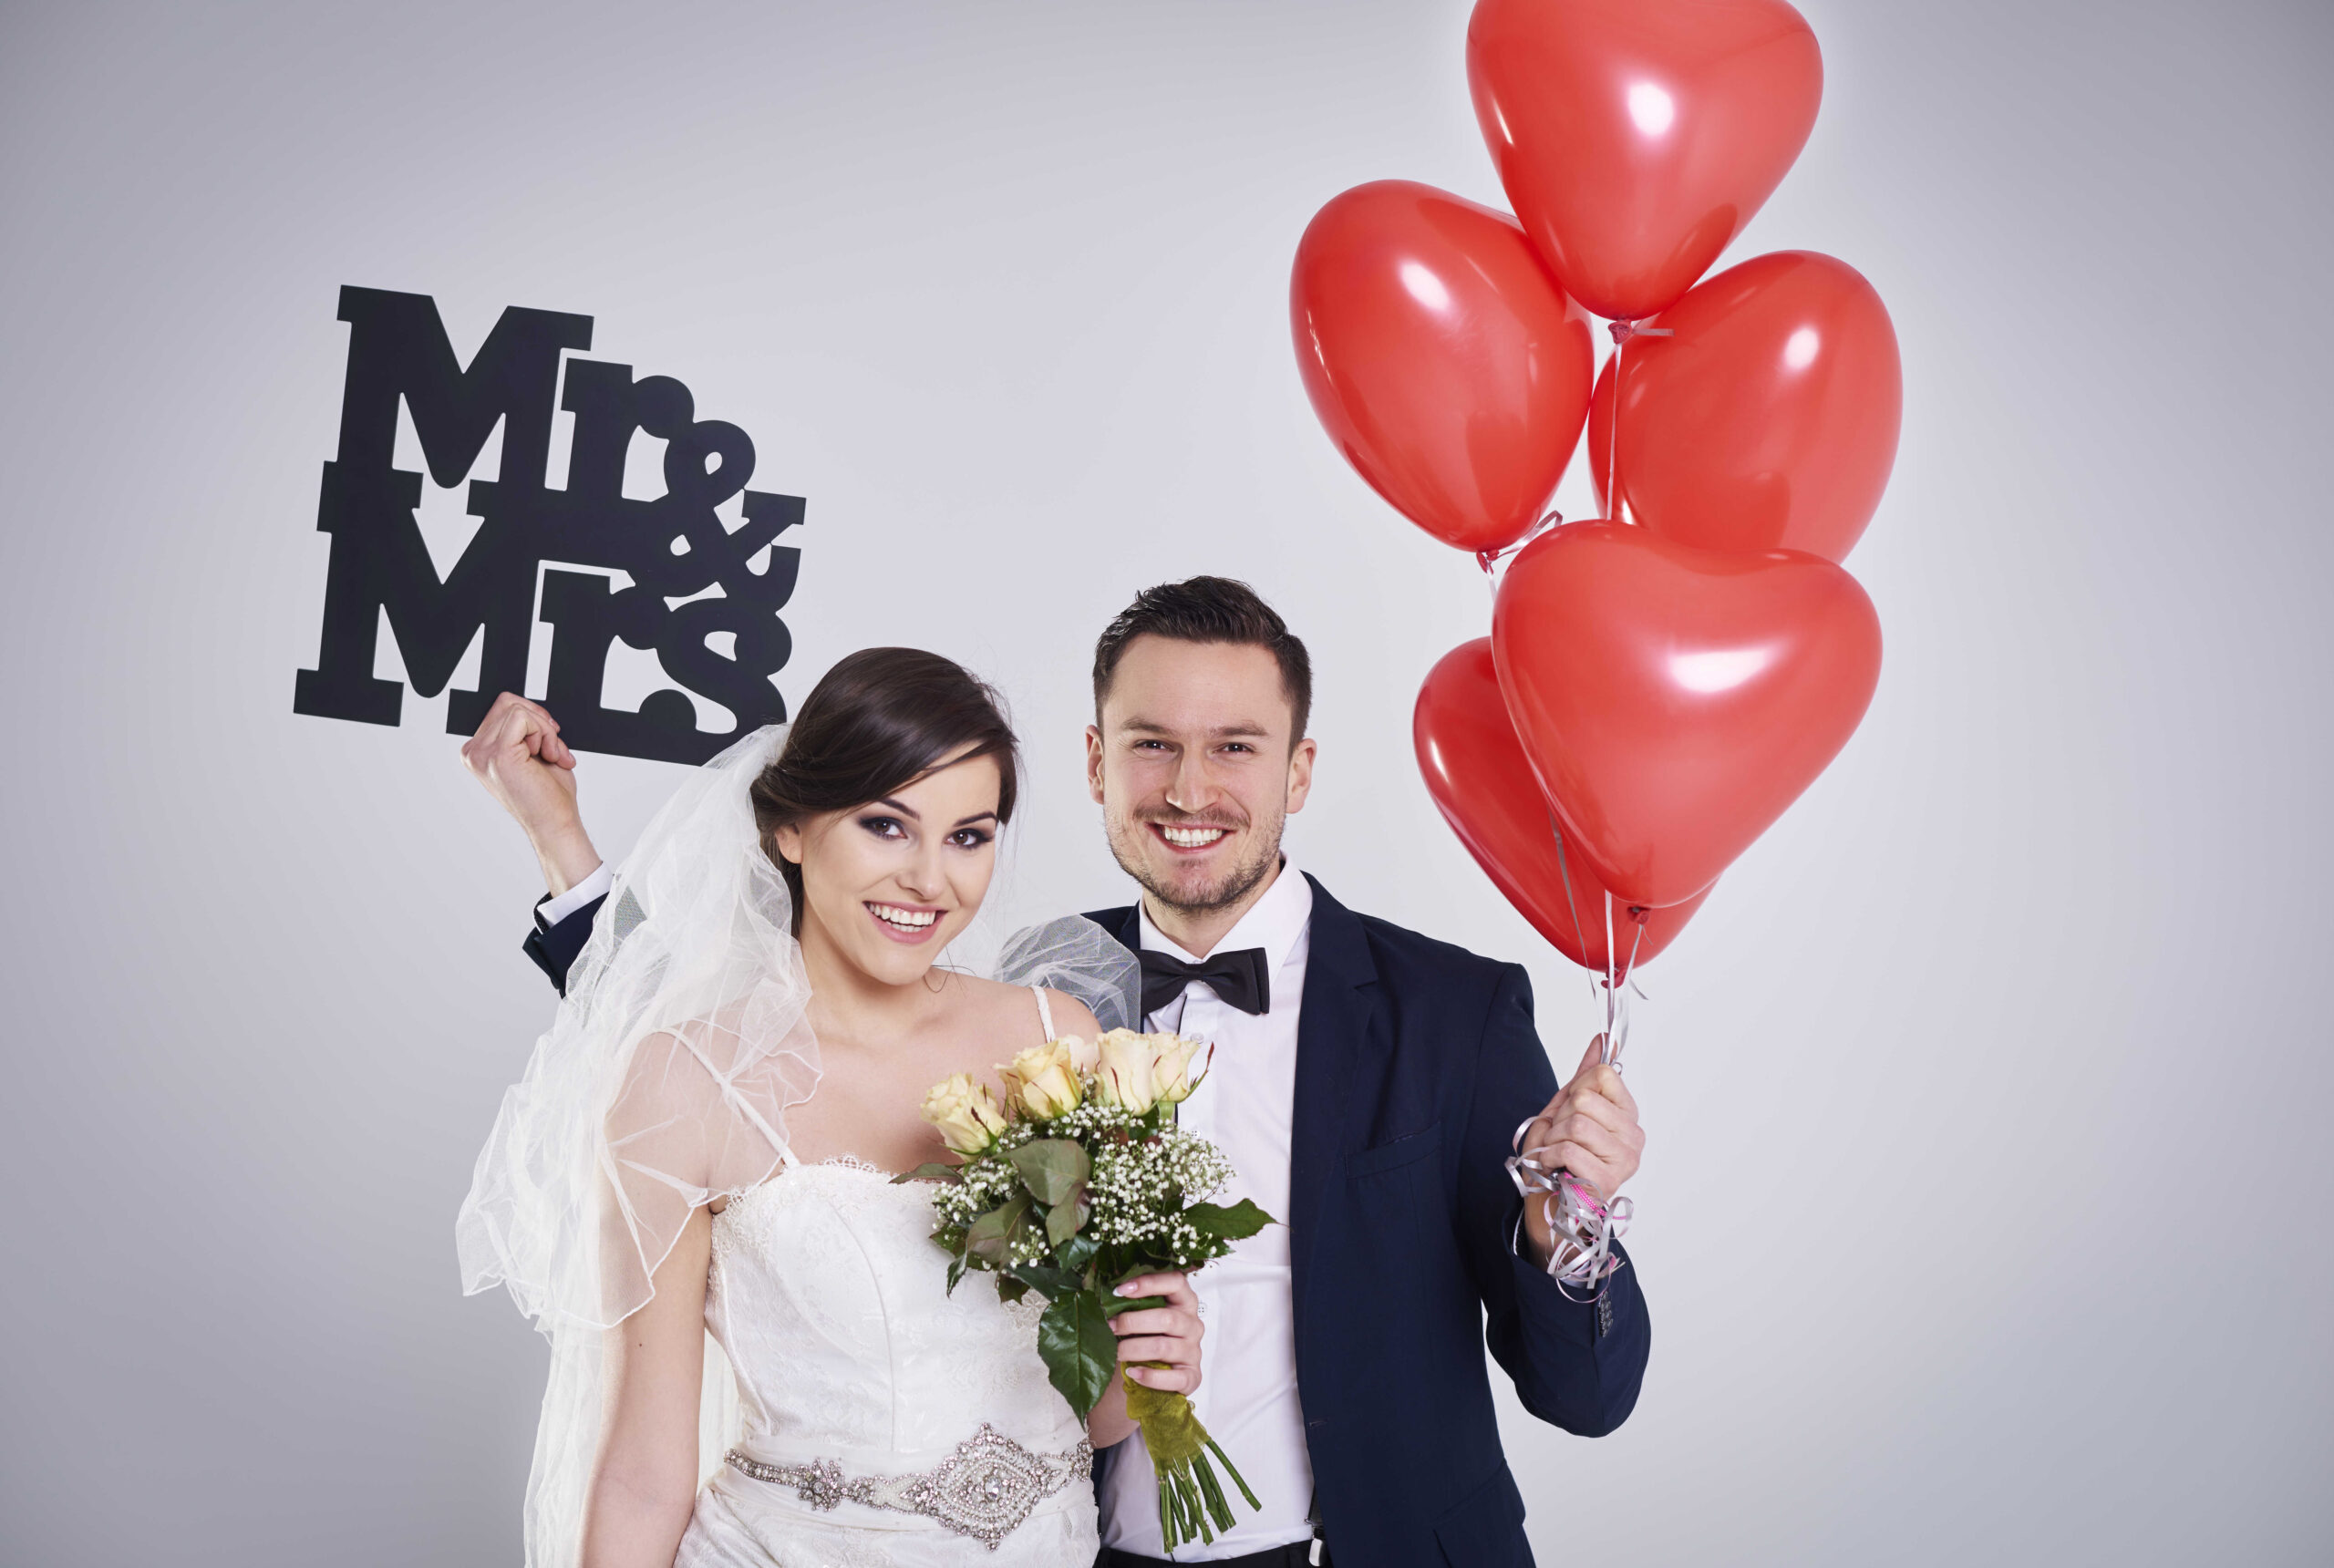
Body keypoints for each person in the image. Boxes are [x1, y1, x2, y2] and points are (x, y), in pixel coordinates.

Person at [473, 579, 1653, 1568]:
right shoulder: (1047, 990)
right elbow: (758, 1029)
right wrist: (567, 855)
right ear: (1096, 764)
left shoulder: (1453, 1008)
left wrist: (1568, 1231)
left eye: (1235, 748)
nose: (1191, 791)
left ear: (1298, 771)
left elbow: (1587, 1399)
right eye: (1151, 746)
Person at [458, 648, 1206, 1568]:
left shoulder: (1060, 1042)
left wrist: (1152, 1360)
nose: (931, 879)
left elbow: (1095, 1419)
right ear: (791, 831)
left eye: (969, 835)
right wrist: (556, 835)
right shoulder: (683, 1080)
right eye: (887, 825)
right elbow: (644, 1471)